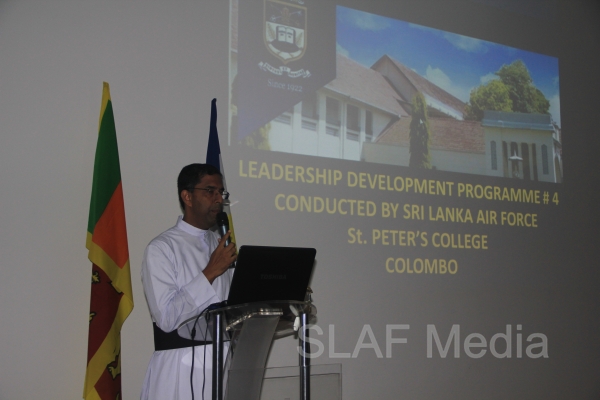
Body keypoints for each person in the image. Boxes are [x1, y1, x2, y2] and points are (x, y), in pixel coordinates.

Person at [141, 163, 237, 400]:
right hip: (179, 369)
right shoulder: (162, 248)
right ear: (187, 197)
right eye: (210, 191)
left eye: (221, 192)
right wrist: (210, 272)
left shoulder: (221, 246)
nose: (218, 199)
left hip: (222, 364)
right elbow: (166, 318)